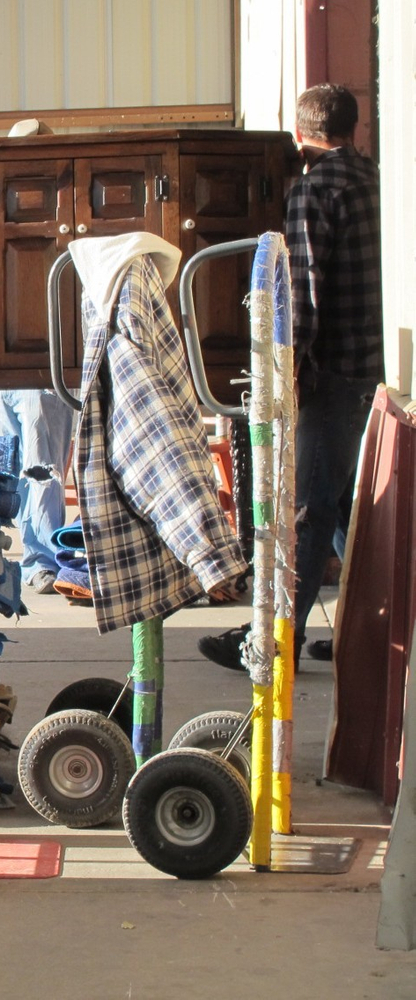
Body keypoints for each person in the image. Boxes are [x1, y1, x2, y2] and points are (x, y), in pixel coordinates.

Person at [198, 83, 382, 672]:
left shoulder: (314, 189)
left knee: (307, 509)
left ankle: (276, 641)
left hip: (330, 372)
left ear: (301, 135)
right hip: (375, 368)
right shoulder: (378, 179)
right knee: (351, 513)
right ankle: (370, 638)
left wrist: (285, 372)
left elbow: (299, 296)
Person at [0, 389, 76, 594]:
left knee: (41, 473)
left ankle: (42, 561)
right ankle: (36, 560)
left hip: (40, 380)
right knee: (6, 470)